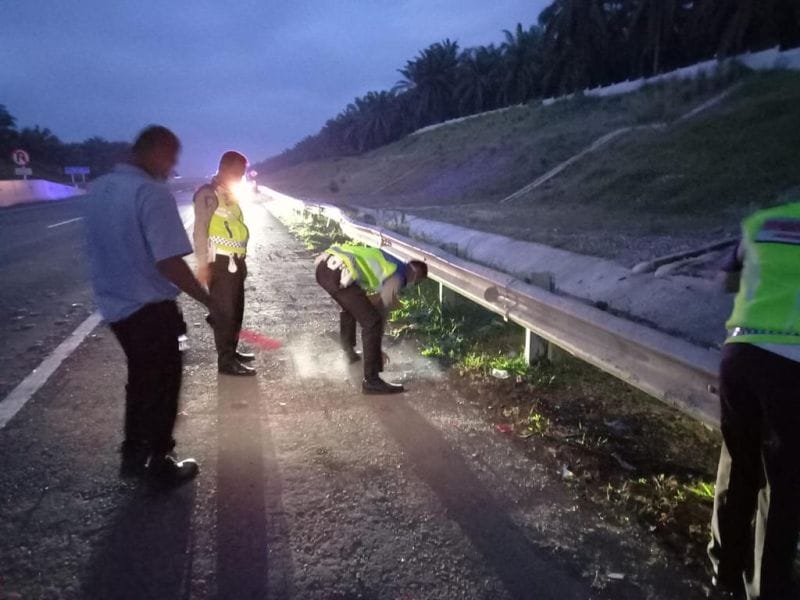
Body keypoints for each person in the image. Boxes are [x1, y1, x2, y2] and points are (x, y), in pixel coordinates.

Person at [85, 125, 224, 487]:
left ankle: (133, 455)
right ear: (157, 152)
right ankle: (158, 462)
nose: (171, 167)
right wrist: (208, 299)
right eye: (171, 158)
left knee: (141, 381)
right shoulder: (151, 193)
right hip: (151, 311)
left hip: (116, 308)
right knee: (162, 384)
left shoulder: (98, 189)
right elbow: (169, 262)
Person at [708, 202, 800, 599]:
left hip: (740, 354)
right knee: (782, 484)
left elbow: (726, 281)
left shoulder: (763, 222)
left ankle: (723, 575)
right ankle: (767, 589)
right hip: (792, 363)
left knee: (739, 465)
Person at [315, 243, 428, 394]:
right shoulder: (398, 276)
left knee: (351, 307)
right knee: (372, 322)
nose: (413, 284)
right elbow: (381, 311)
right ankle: (372, 381)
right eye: (418, 282)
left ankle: (349, 353)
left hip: (324, 267)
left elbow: (370, 299)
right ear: (416, 276)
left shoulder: (391, 261)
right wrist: (376, 351)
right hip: (338, 272)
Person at [193, 151, 255, 376]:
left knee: (236, 311)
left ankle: (232, 351)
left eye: (242, 174)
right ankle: (225, 362)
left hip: (236, 261)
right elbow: (200, 230)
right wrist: (203, 265)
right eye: (236, 172)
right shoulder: (207, 194)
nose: (240, 177)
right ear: (223, 168)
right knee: (225, 314)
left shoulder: (229, 194)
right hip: (219, 263)